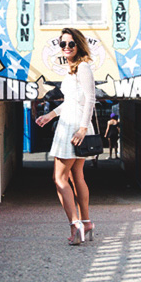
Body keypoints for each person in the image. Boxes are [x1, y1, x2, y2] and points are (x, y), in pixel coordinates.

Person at [35, 28, 96, 245]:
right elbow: (71, 101)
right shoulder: (72, 69)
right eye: (63, 44)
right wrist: (50, 115)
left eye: (71, 44)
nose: (67, 48)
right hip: (71, 121)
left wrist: (82, 129)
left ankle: (76, 225)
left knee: (59, 178)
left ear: (79, 45)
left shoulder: (83, 67)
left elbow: (90, 99)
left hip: (74, 126)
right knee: (75, 175)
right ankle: (86, 222)